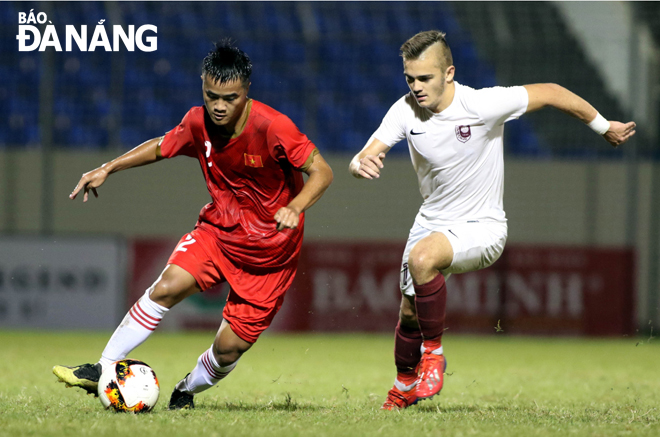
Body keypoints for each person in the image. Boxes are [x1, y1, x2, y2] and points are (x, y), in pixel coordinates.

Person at [349, 30, 636, 410]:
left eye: (425, 78)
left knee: (422, 259)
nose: (416, 87)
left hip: (483, 226)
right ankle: (404, 386)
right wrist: (360, 164)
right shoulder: (404, 110)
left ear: (449, 73)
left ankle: (433, 357)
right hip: (431, 222)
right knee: (408, 310)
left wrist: (604, 126)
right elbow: (363, 155)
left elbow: (550, 90)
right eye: (410, 79)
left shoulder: (482, 104)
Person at [53, 40, 333, 410]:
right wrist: (109, 167)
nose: (218, 106)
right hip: (218, 234)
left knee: (228, 349)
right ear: (203, 84)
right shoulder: (197, 121)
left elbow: (322, 171)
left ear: (247, 91)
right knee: (167, 286)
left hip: (270, 256)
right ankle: (101, 367)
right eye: (211, 94)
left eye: (229, 98)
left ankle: (185, 388)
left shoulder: (274, 127)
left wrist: (295, 207)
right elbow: (160, 146)